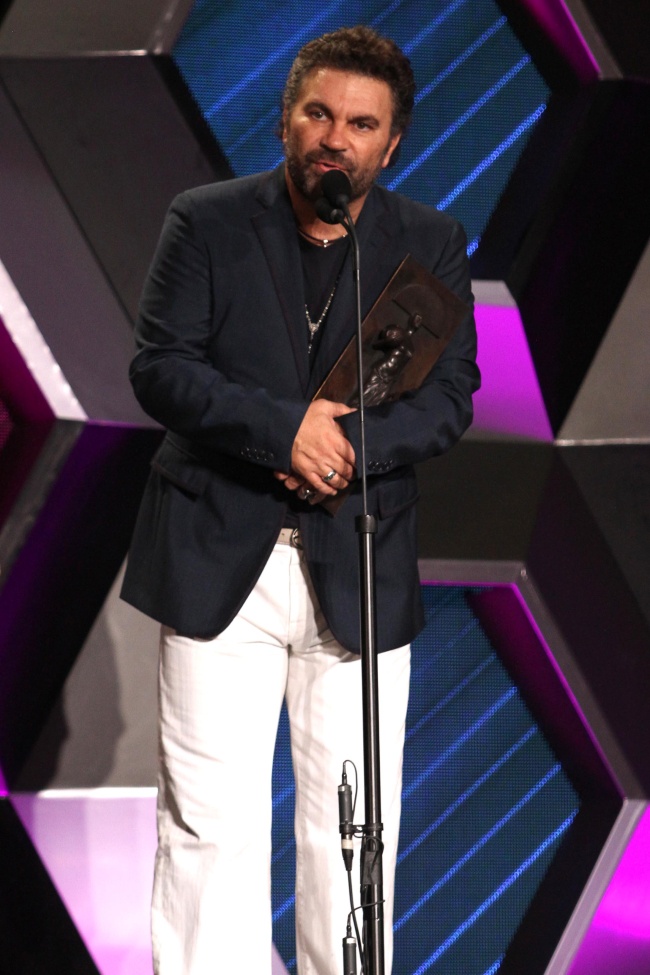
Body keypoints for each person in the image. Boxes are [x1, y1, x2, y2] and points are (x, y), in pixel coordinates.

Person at [121, 24, 480, 975]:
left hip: (356, 557)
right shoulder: (205, 220)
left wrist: (343, 449)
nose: (335, 137)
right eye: (319, 113)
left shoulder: (429, 243)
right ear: (286, 119)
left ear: (390, 145)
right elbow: (161, 368)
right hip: (217, 552)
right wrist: (283, 430)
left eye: (361, 124)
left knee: (352, 834)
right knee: (209, 826)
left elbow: (449, 399)